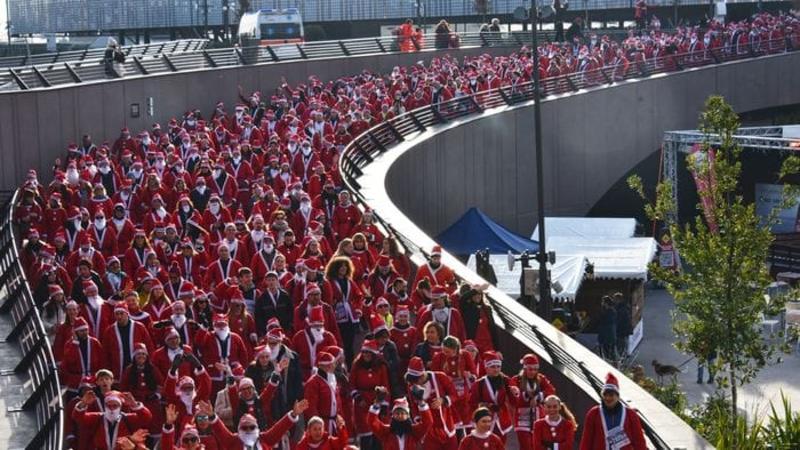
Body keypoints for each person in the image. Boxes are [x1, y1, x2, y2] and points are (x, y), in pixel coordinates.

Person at [579, 373, 647, 450]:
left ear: (617, 396)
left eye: (611, 395)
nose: (608, 398)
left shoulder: (630, 414)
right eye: (605, 395)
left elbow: (639, 442)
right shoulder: (593, 414)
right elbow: (586, 441)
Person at [510, 353, 556, 449]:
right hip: (522, 419)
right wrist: (526, 396)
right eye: (530, 369)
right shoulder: (516, 380)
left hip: (538, 417)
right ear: (525, 368)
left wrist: (538, 397)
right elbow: (514, 398)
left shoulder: (541, 379)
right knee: (526, 446)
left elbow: (551, 390)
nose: (533, 372)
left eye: (535, 369)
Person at [369, 397, 433, 450]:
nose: (399, 416)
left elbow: (428, 422)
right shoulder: (386, 431)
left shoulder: (414, 431)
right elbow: (372, 422)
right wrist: (376, 404)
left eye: (402, 413)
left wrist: (421, 402)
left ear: (408, 415)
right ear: (392, 416)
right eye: (397, 413)